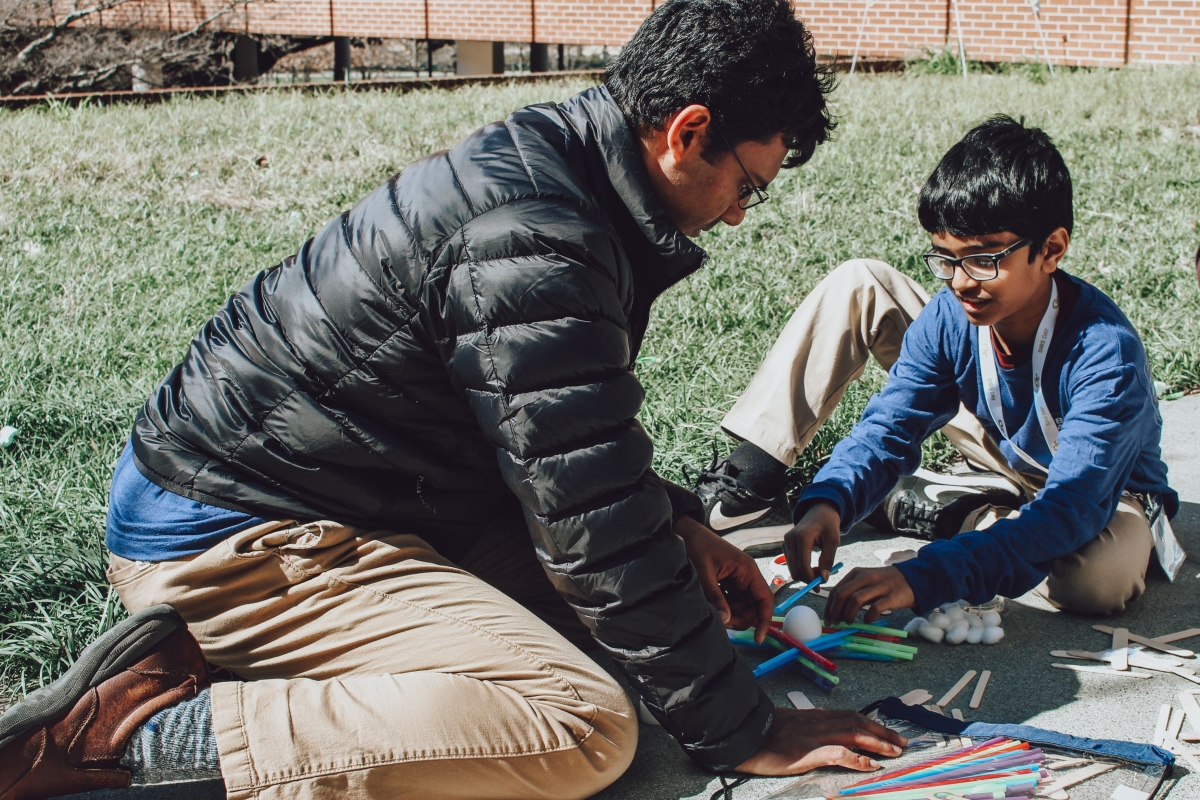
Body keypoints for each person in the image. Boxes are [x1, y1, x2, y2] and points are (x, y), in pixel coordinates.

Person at [0, 3, 907, 799]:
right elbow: (591, 534)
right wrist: (742, 732)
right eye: (745, 183)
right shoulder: (536, 238)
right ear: (686, 130)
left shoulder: (563, 166)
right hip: (235, 536)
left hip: (347, 493)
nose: (741, 214)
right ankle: (134, 736)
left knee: (634, 633)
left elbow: (559, 453)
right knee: (581, 724)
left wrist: (677, 527)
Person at [693, 115, 1177, 622]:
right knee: (1034, 539)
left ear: (1051, 249)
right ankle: (984, 515)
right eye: (945, 258)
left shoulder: (1105, 353)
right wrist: (830, 500)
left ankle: (968, 515)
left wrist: (923, 577)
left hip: (1106, 490)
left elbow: (1070, 509)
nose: (962, 282)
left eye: (984, 258)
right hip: (1010, 454)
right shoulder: (953, 312)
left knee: (1094, 581)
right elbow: (889, 426)